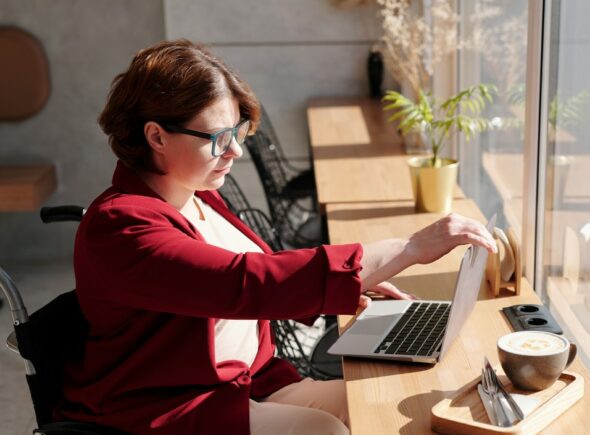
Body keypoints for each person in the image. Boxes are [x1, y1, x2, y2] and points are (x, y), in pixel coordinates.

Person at [54, 39, 497, 435]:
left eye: (238, 132)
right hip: (169, 406)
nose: (236, 151)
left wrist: (355, 279)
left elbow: (253, 266)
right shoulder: (121, 227)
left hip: (246, 382)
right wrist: (409, 248)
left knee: (378, 403)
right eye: (218, 137)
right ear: (156, 136)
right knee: (325, 430)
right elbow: (244, 282)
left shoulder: (195, 194)